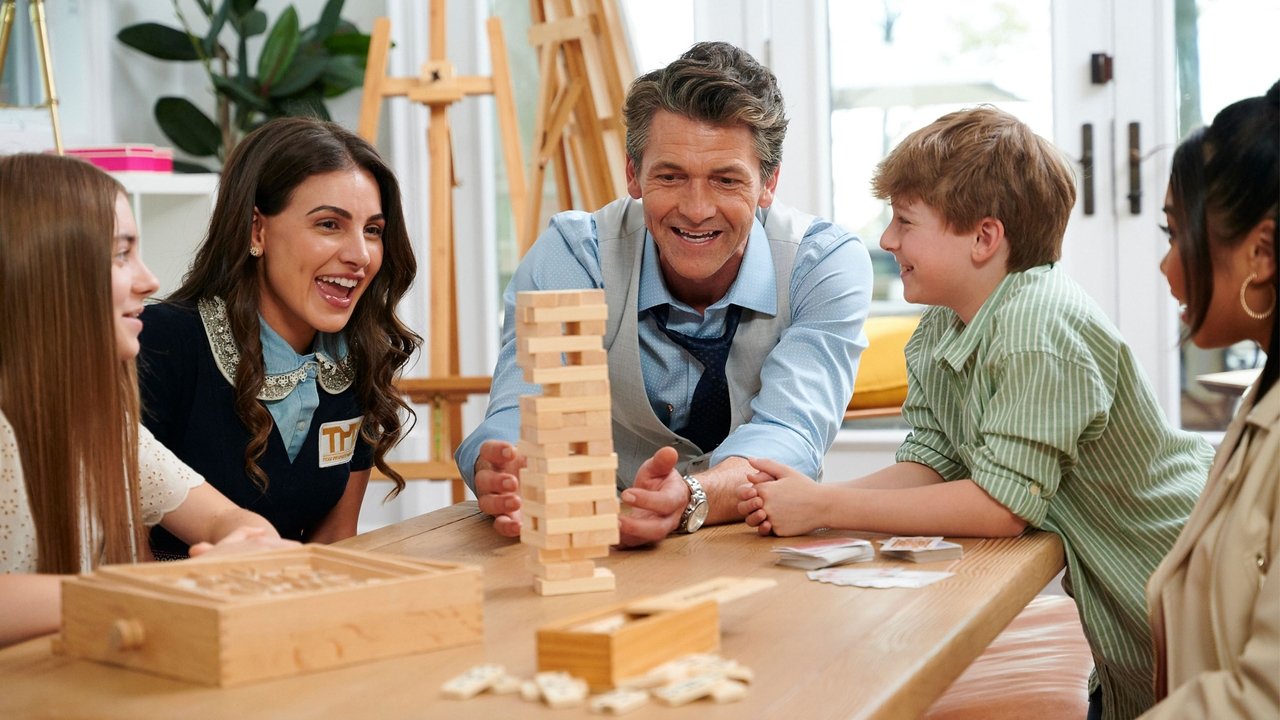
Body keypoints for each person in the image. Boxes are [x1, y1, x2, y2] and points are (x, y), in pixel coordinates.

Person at [737, 107, 1214, 719]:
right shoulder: (943, 322)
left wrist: (826, 507)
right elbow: (933, 462)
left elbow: (999, 507)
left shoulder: (1038, 328)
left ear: (984, 239)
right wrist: (808, 501)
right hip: (1124, 622)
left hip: (1188, 589)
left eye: (905, 221)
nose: (887, 240)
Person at [456, 41, 872, 546]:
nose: (696, 210)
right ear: (633, 175)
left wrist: (692, 496)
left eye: (726, 180)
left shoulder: (822, 265)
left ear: (768, 184)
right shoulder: (576, 254)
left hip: (753, 542)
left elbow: (791, 432)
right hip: (599, 539)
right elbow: (523, 405)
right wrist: (502, 465)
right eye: (671, 176)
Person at [0, 153, 296, 648]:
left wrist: (251, 542)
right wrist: (177, 584)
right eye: (121, 254)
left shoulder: (102, 425)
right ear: (45, 268)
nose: (149, 280)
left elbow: (222, 518)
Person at [138, 117, 421, 558]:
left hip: (289, 595)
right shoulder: (159, 341)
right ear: (257, 230)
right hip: (164, 599)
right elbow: (118, 548)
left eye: (373, 230)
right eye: (329, 224)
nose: (360, 255)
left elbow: (335, 539)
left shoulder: (359, 357)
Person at [1141, 83, 1279, 719]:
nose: (1167, 267)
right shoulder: (1262, 398)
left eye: (1176, 235)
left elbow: (1261, 700)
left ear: (1261, 253)